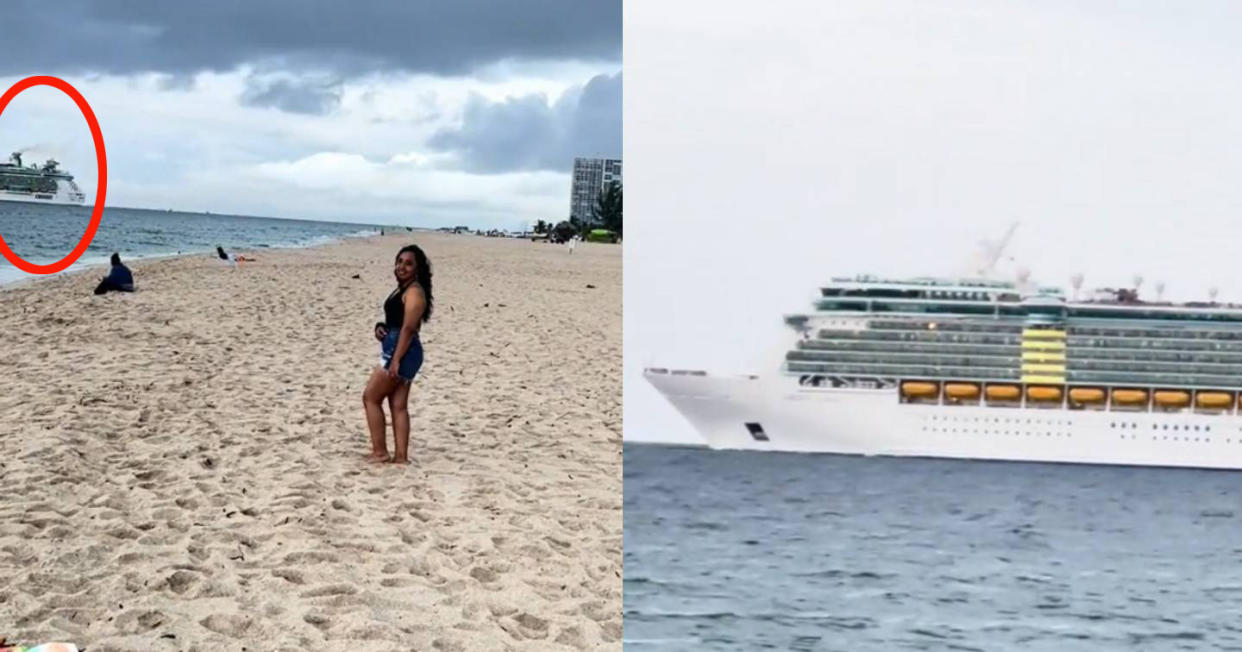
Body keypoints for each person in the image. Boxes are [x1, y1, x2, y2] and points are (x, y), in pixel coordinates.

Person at [362, 244, 433, 464]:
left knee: (371, 397)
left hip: (402, 349)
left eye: (408, 263)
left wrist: (396, 360)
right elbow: (397, 321)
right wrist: (380, 327)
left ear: (417, 269)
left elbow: (409, 328)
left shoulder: (414, 292)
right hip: (401, 347)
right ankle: (400, 457)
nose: (402, 267)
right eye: (400, 261)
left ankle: (380, 452)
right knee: (398, 405)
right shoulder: (405, 289)